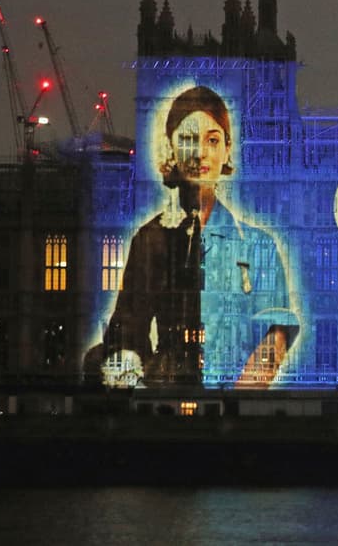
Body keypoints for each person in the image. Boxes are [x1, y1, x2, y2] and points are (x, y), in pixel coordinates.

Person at [85, 85, 298, 388]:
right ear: (170, 148)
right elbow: (129, 329)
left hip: (232, 390)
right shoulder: (150, 239)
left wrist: (237, 396)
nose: (200, 153)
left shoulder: (259, 245)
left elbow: (276, 332)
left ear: (227, 148)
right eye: (187, 139)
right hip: (167, 386)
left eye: (212, 140)